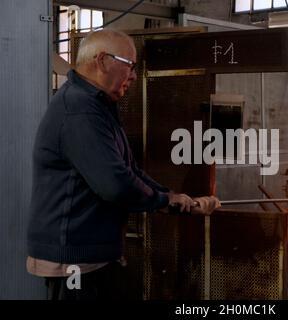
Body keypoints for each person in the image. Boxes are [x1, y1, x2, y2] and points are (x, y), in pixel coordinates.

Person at [26, 29, 220, 300]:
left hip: (92, 254)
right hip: (74, 260)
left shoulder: (98, 107)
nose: (133, 75)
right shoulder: (80, 111)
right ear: (103, 60)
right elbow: (115, 184)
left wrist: (176, 199)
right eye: (129, 65)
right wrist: (166, 201)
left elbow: (128, 171)